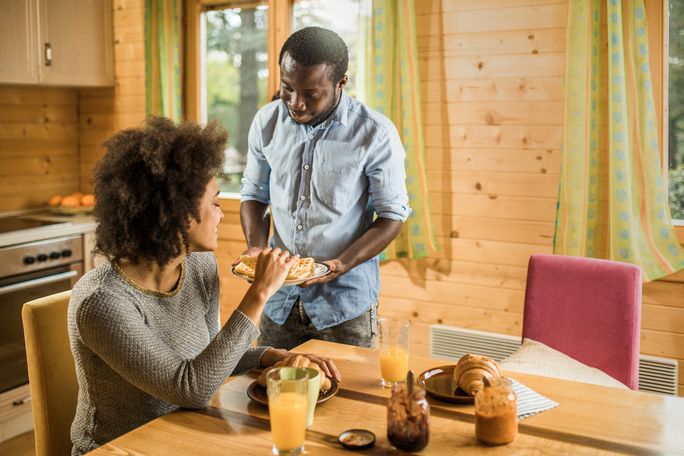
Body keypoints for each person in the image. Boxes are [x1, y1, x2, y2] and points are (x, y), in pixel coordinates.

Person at [67, 117, 340, 456]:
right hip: (119, 449)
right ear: (178, 211)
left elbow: (209, 361)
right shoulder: (103, 302)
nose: (221, 213)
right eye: (214, 202)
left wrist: (271, 356)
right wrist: (258, 293)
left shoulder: (198, 266)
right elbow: (191, 387)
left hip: (184, 434)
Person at [240, 26, 411, 350]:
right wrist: (257, 249)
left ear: (340, 83)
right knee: (271, 391)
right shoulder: (266, 122)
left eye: (311, 94)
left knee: (347, 398)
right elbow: (254, 194)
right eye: (287, 88)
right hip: (279, 299)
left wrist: (343, 263)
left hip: (344, 304)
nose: (296, 103)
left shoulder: (374, 133)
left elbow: (392, 217)